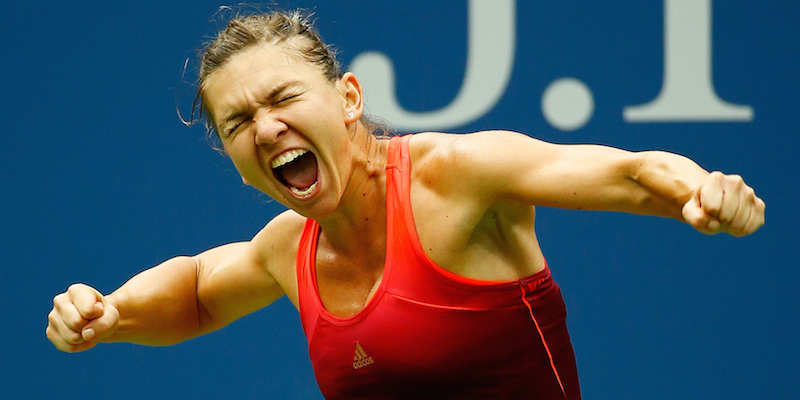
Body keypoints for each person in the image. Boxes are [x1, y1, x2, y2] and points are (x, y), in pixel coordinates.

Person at [46, 10, 765, 400]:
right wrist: (111, 314)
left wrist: (700, 192)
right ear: (236, 163)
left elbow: (634, 173)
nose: (265, 128)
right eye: (238, 124)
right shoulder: (284, 251)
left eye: (283, 98)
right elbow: (201, 291)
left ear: (349, 99)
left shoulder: (456, 175)